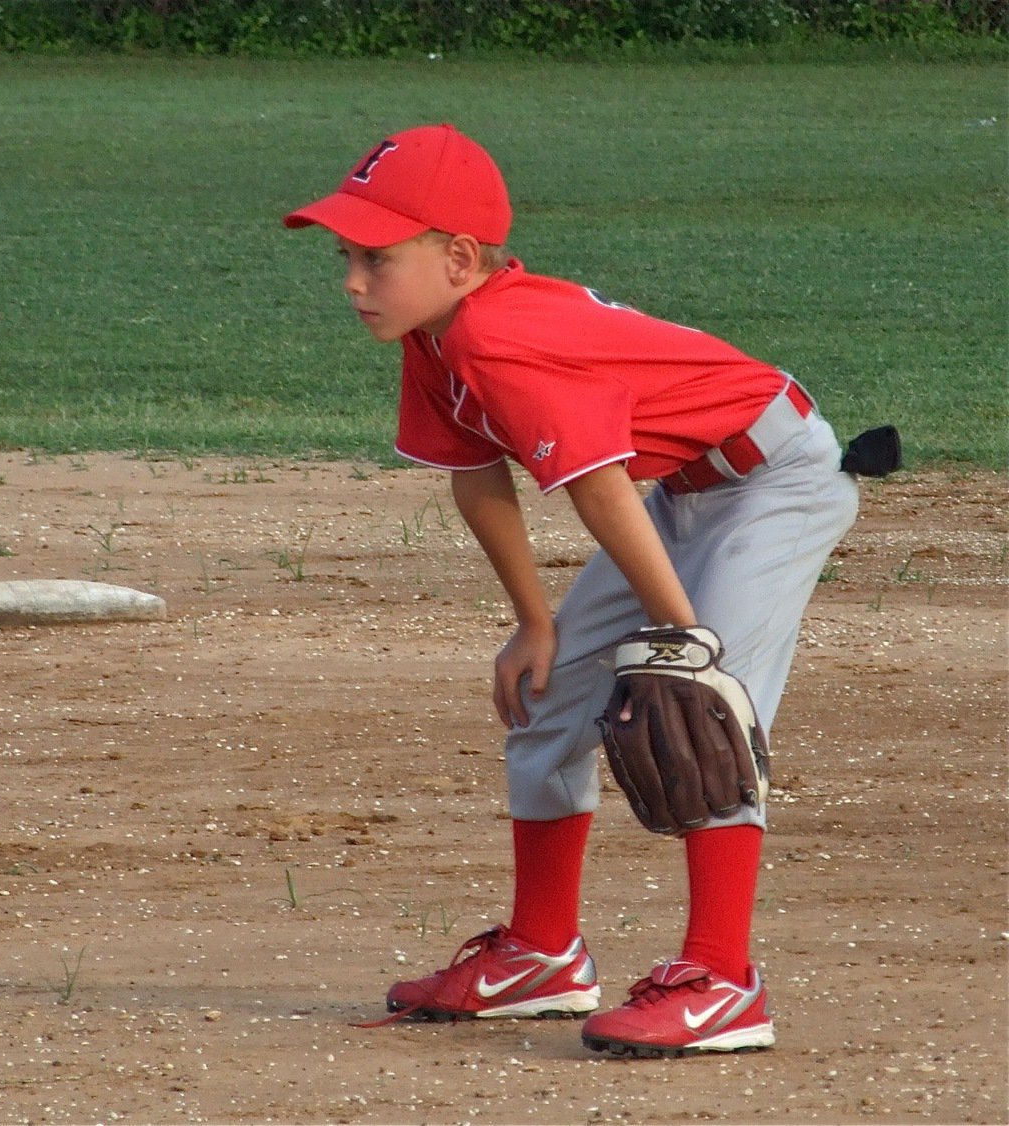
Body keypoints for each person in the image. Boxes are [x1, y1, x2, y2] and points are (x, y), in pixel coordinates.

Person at [283, 123, 860, 1057]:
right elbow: (478, 477)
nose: (352, 280)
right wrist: (533, 624)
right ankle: (543, 954)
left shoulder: (503, 337)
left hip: (774, 482)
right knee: (550, 698)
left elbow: (598, 487)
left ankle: (724, 980)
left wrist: (684, 635)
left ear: (460, 259)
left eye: (376, 258)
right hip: (684, 491)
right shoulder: (437, 337)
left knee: (702, 707)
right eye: (347, 255)